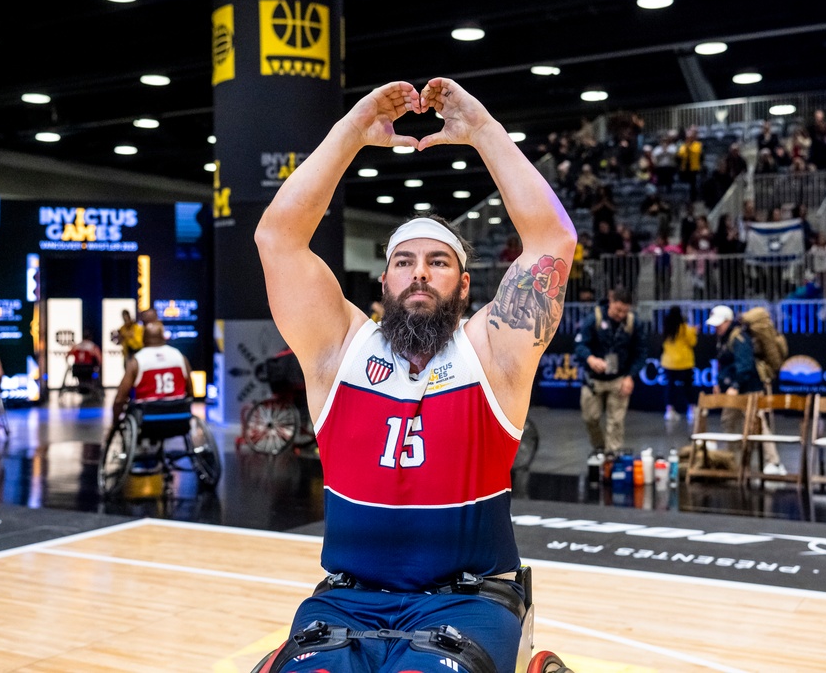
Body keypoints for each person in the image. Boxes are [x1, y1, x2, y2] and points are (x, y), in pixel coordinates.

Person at [253, 78, 577, 673]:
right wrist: (350, 132)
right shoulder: (339, 348)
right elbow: (277, 237)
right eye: (403, 261)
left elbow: (552, 237)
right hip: (347, 599)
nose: (419, 274)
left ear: (465, 284)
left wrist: (482, 132)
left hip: (468, 600)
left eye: (438, 262)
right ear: (384, 282)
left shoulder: (493, 351)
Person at [706, 305, 786, 475]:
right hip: (734, 391)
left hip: (749, 389)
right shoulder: (723, 337)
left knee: (759, 425)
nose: (715, 327)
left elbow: (745, 365)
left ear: (728, 321)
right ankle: (730, 460)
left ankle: (774, 463)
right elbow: (726, 364)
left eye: (719, 324)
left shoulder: (739, 337)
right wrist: (720, 383)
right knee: (728, 423)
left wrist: (735, 386)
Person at [574, 287, 648, 454]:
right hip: (593, 379)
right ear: (611, 302)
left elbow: (641, 353)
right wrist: (590, 359)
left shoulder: (633, 323)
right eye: (618, 309)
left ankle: (612, 457)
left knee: (616, 422)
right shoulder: (594, 319)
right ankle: (600, 448)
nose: (620, 314)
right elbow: (580, 345)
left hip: (618, 379)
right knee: (590, 418)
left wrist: (630, 376)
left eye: (625, 311)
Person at [111, 320, 192, 429]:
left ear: (143, 339)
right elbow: (191, 391)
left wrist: (116, 422)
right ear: (163, 337)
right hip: (178, 417)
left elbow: (120, 398)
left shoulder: (138, 360)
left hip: (148, 420)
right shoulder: (179, 356)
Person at [660, 306, 697, 423]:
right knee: (688, 386)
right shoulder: (685, 328)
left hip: (669, 363)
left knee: (670, 386)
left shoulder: (666, 328)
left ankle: (669, 411)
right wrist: (694, 331)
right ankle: (691, 410)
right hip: (684, 363)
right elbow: (693, 342)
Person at [68, 329, 104, 401]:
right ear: (90, 337)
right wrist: (98, 367)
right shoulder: (93, 347)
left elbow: (67, 356)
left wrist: (69, 366)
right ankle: (90, 388)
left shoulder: (76, 346)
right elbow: (100, 359)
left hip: (76, 370)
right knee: (93, 370)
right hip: (88, 370)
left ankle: (83, 388)